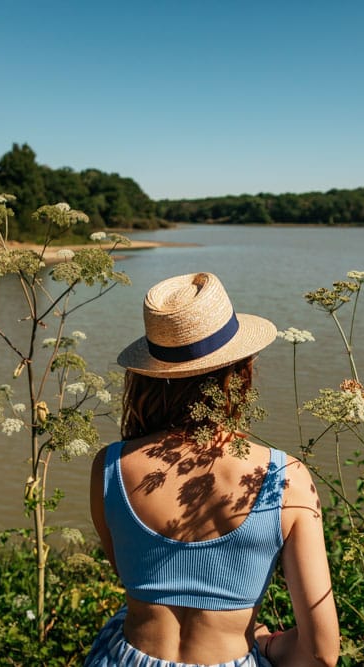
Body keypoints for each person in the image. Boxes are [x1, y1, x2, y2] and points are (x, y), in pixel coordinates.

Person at [85, 272, 340, 667]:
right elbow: (322, 652)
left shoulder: (110, 466)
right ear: (241, 372)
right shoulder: (286, 478)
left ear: (149, 376)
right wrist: (268, 644)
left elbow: (134, 578)